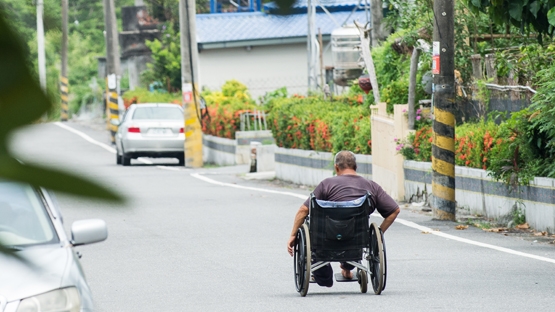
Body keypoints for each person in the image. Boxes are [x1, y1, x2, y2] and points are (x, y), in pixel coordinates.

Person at [287, 150, 400, 287]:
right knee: (352, 234)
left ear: (336, 167)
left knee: (318, 233)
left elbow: (303, 210)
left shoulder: (326, 184)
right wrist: (378, 234)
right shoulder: (371, 186)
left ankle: (324, 276)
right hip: (356, 241)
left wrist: (293, 235)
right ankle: (347, 268)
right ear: (356, 167)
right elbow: (394, 210)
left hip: (325, 240)